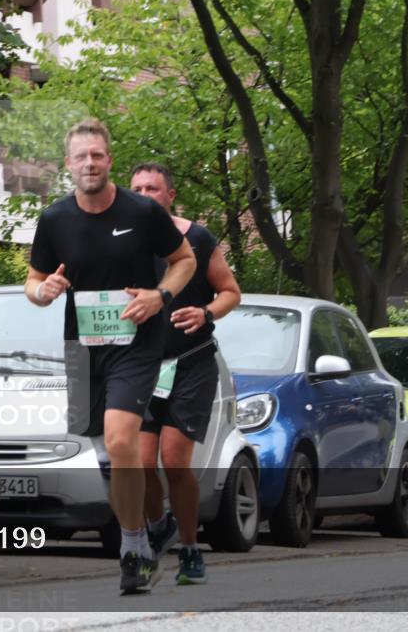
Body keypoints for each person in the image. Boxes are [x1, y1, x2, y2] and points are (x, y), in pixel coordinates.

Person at [26, 119, 196, 594]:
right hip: (82, 346)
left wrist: (159, 296)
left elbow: (185, 260)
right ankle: (150, 528)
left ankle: (132, 548)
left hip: (136, 343)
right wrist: (45, 290)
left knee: (121, 440)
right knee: (103, 453)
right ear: (68, 165)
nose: (90, 164)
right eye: (81, 157)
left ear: (110, 160)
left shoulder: (141, 212)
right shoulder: (55, 219)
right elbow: (33, 282)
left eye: (97, 155)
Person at [130, 162, 242, 586]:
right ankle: (160, 526)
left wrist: (206, 312)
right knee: (138, 464)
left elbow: (231, 290)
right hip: (140, 363)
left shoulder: (196, 237)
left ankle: (191, 550)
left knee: (174, 462)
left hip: (190, 362)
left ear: (169, 195)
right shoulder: (123, 242)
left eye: (153, 188)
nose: (144, 194)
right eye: (137, 187)